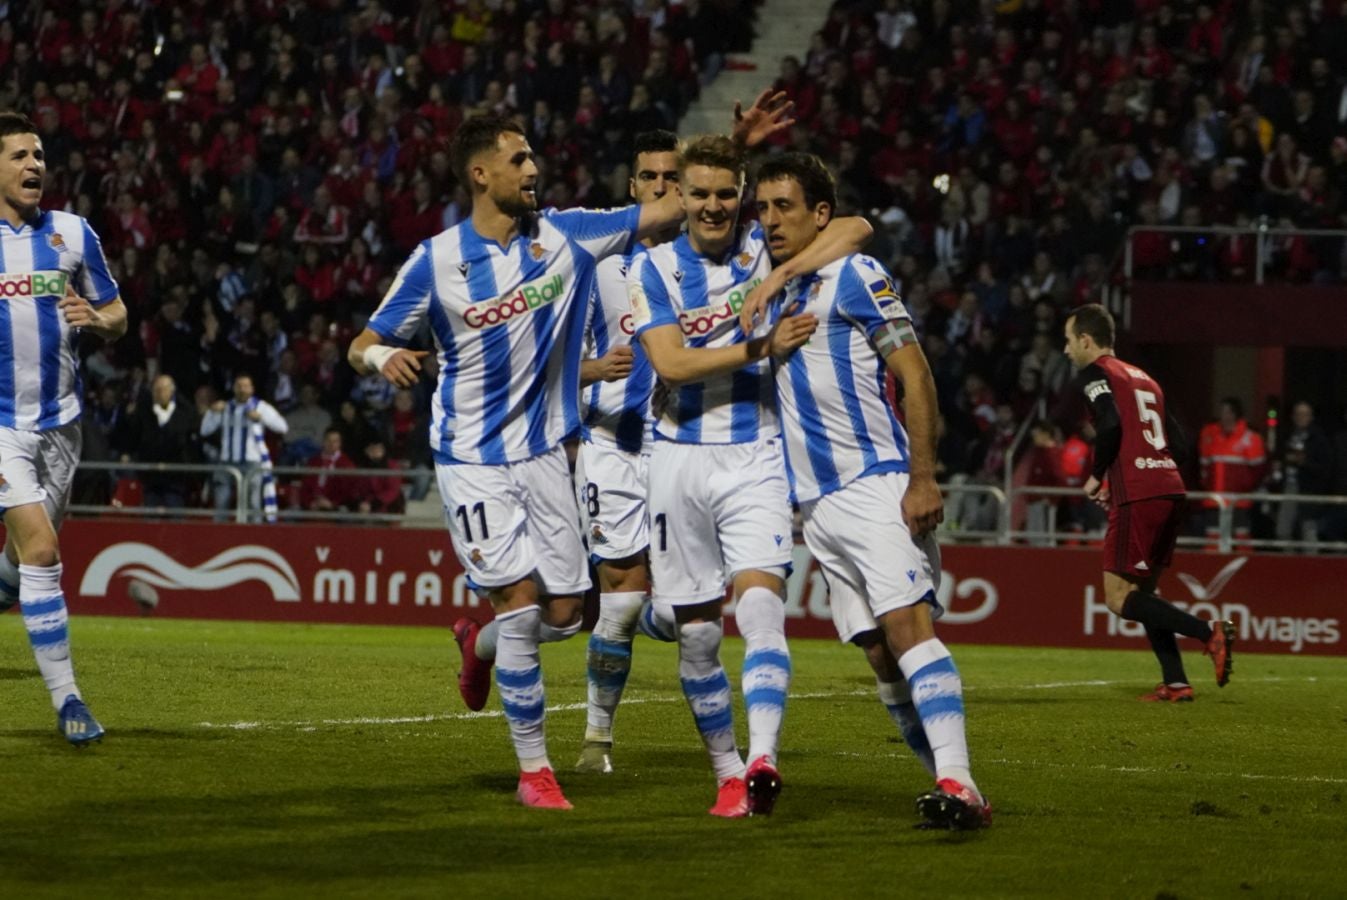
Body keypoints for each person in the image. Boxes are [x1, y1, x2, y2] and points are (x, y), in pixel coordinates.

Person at [346, 112, 684, 811]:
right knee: (522, 603)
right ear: (481, 173)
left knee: (566, 613)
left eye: (533, 157)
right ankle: (536, 773)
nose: (534, 169)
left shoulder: (568, 236)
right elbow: (363, 341)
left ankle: (479, 645)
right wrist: (387, 357)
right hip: (471, 455)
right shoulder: (438, 259)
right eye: (519, 158)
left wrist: (735, 154)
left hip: (542, 454)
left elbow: (670, 207)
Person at [631, 136, 873, 817]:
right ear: (679, 196)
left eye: (724, 194)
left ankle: (761, 757)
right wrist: (758, 346)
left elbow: (855, 227)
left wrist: (767, 282)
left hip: (757, 453)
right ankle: (726, 771)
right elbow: (671, 366)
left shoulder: (764, 248)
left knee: (762, 608)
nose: (713, 206)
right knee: (700, 636)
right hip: (677, 460)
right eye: (699, 193)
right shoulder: (651, 269)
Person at [753, 152, 990, 830]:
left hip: (874, 483)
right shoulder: (779, 285)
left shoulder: (851, 276)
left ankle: (961, 784)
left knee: (906, 628)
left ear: (817, 214)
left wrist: (920, 476)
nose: (769, 220)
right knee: (880, 656)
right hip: (819, 511)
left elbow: (915, 375)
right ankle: (952, 788)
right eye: (762, 208)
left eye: (784, 207)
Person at [0, 111, 128, 745]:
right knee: (44, 554)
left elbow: (118, 314)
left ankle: (4, 581)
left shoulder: (74, 234)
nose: (34, 166)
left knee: (21, 558)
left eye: (39, 155)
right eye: (20, 155)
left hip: (63, 426)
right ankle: (68, 699)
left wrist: (99, 320)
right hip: (2, 426)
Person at [571, 129, 684, 776]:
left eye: (674, 176)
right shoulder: (590, 263)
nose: (663, 187)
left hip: (683, 449)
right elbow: (541, 359)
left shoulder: (708, 259)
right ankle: (596, 741)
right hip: (612, 444)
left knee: (671, 616)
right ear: (633, 189)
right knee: (617, 600)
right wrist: (591, 369)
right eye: (651, 177)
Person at [1064, 304, 1236, 702]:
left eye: (1069, 341)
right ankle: (1176, 682)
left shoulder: (1095, 374)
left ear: (1086, 341)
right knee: (1145, 594)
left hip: (1140, 495)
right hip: (1170, 489)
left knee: (1118, 598)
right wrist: (1149, 468)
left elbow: (1108, 424)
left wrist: (1099, 475)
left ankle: (1207, 633)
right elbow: (1180, 444)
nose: (1066, 350)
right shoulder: (1145, 378)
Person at [199, 372, 289, 522]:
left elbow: (283, 427)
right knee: (221, 501)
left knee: (253, 504)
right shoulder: (225, 407)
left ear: (252, 389)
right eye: (239, 386)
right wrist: (211, 413)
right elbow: (204, 430)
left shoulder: (261, 407)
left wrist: (261, 418)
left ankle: (253, 537)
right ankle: (219, 536)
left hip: (252, 462)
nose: (242, 389)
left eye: (246, 386)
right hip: (226, 461)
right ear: (234, 389)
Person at [1197, 396, 1267, 546]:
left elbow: (1258, 471)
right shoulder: (1208, 434)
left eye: (1228, 412)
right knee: (1213, 539)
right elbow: (1203, 467)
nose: (1225, 416)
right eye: (1222, 412)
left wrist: (1246, 489)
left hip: (1239, 501)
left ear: (1236, 414)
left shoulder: (1251, 438)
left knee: (1242, 539)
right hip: (1214, 499)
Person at [130, 374, 198, 509]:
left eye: (164, 389)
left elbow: (186, 442)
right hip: (150, 477)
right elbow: (135, 438)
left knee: (175, 517)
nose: (160, 393)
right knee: (150, 520)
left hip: (175, 477)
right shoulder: (143, 413)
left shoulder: (184, 413)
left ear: (172, 391)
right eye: (156, 389)